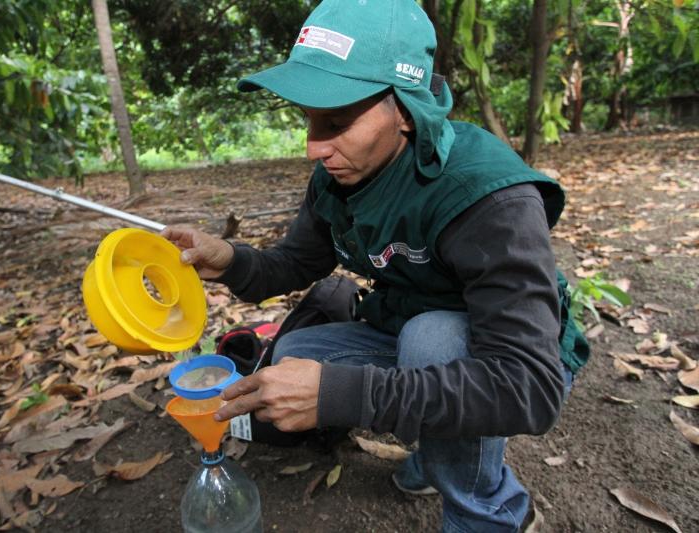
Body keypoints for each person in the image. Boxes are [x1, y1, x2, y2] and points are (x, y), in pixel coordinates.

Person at [163, 0, 589, 531]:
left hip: (510, 357)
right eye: (309, 119)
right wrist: (227, 260)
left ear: (406, 111)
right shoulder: (339, 176)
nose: (313, 147)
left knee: (432, 342)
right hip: (411, 322)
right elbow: (297, 262)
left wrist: (339, 394)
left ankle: (491, 511)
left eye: (337, 121)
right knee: (296, 350)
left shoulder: (487, 197)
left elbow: (529, 386)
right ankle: (441, 452)